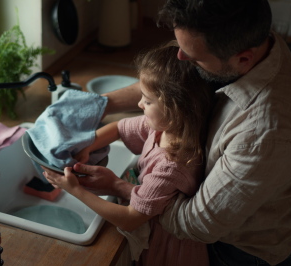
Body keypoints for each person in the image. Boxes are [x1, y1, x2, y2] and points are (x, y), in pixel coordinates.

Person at [65, 0, 291, 265]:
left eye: (193, 58)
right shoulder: (246, 36)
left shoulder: (266, 131)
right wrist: (92, 106)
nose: (180, 56)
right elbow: (169, 83)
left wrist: (124, 188)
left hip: (241, 250)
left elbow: (196, 224)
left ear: (242, 60)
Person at [44, 44, 213, 265]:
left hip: (167, 253)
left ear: (175, 110)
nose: (139, 103)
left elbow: (131, 219)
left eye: (148, 100)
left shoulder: (170, 167)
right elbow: (118, 128)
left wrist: (75, 191)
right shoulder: (165, 128)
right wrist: (87, 146)